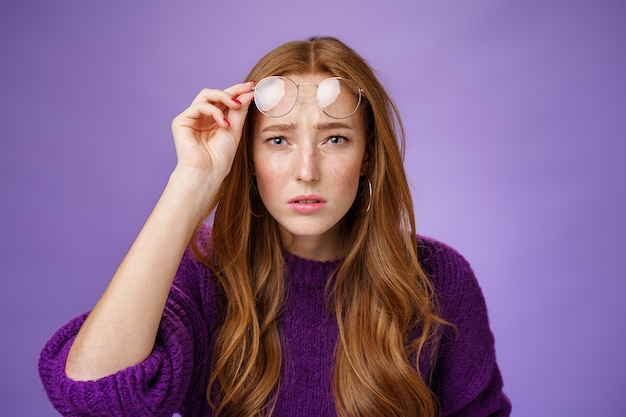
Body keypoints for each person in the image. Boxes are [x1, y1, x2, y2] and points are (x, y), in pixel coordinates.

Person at [39, 36, 511, 417]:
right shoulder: (206, 276)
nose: (307, 170)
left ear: (367, 156)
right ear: (249, 155)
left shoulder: (438, 279)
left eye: (335, 138)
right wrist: (193, 181)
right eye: (279, 139)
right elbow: (92, 396)